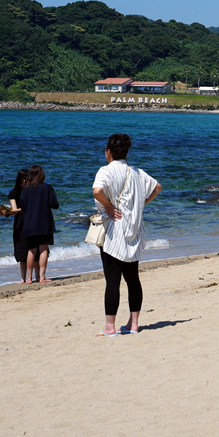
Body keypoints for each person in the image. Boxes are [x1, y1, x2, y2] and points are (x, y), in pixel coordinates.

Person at [92, 134, 161, 337]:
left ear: (108, 152)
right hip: (135, 230)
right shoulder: (137, 172)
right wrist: (140, 205)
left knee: (112, 281)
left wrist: (108, 206)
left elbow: (97, 191)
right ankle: (134, 324)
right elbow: (157, 187)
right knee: (133, 279)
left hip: (114, 229)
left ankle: (109, 327)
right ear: (126, 152)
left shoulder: (106, 170)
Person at [19, 165, 58, 283]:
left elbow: (22, 206)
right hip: (44, 223)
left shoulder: (25, 190)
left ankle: (29, 278)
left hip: (30, 224)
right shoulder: (47, 188)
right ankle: (42, 277)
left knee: (31, 250)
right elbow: (54, 204)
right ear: (42, 175)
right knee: (43, 249)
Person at [7, 168, 31, 284]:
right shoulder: (14, 192)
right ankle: (23, 278)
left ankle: (32, 277)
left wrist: (16, 210)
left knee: (32, 248)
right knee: (21, 249)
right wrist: (5, 212)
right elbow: (14, 209)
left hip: (31, 219)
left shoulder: (32, 191)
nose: (26, 181)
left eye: (27, 178)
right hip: (20, 221)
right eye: (24, 178)